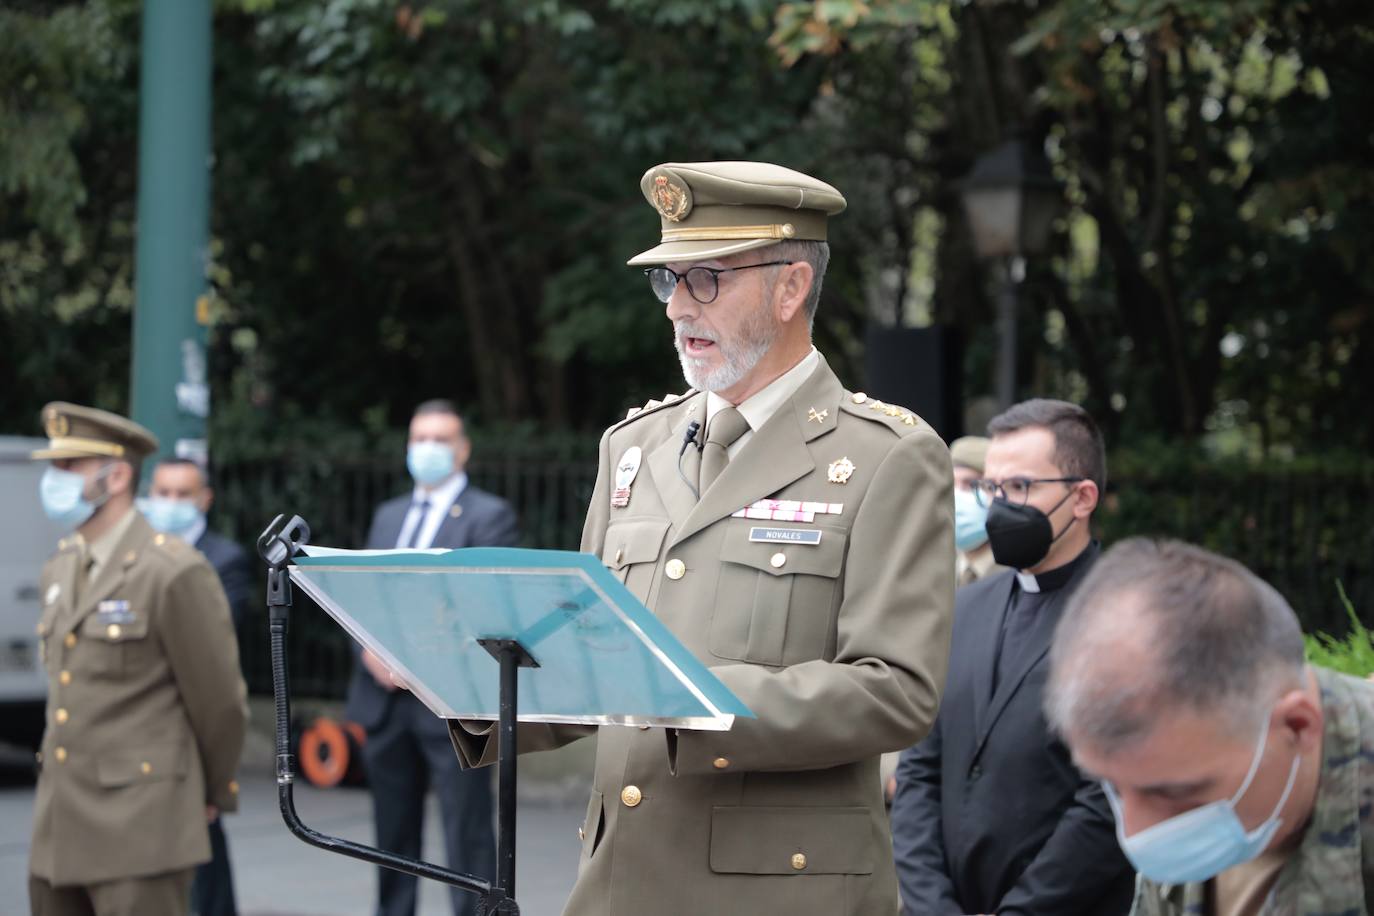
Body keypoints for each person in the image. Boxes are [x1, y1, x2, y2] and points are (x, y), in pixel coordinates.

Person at [449, 160, 954, 915]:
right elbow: (591, 657)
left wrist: (692, 699)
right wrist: (470, 682)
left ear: (790, 288)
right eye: (670, 281)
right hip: (617, 884)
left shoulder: (887, 455)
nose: (678, 307)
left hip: (781, 895)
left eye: (706, 278)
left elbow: (897, 690)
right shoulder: (634, 446)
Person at [890, 398, 1133, 915]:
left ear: (1083, 497)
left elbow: (1108, 797)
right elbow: (919, 772)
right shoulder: (965, 606)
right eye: (991, 488)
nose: (998, 505)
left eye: (1020, 487)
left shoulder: (1127, 615)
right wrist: (933, 906)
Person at [1046, 538, 1374, 916]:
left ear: (1297, 728)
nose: (1136, 834)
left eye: (1175, 793)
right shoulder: (1183, 758)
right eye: (1113, 788)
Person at [27, 402, 247, 916]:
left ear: (118, 474)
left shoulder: (171, 570)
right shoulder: (60, 567)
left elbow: (219, 702)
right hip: (58, 826)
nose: (53, 480)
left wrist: (212, 790)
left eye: (69, 466)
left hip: (141, 827)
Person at [344, 399, 519, 916]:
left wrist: (415, 657)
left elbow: (482, 607)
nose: (427, 449)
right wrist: (367, 650)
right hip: (385, 700)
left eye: (440, 439)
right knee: (390, 840)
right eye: (419, 438)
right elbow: (366, 596)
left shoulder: (490, 516)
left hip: (449, 701)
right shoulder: (388, 515)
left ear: (462, 450)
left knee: (466, 835)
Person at [145, 457, 253, 916]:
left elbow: (208, 641)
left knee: (200, 850)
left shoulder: (224, 558)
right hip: (140, 726)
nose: (170, 504)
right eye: (162, 492)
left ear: (204, 499)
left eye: (182, 493)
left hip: (190, 723)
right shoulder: (137, 552)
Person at [950, 435, 1000, 587]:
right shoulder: (935, 568)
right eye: (950, 484)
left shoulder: (1019, 573)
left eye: (971, 484)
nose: (956, 495)